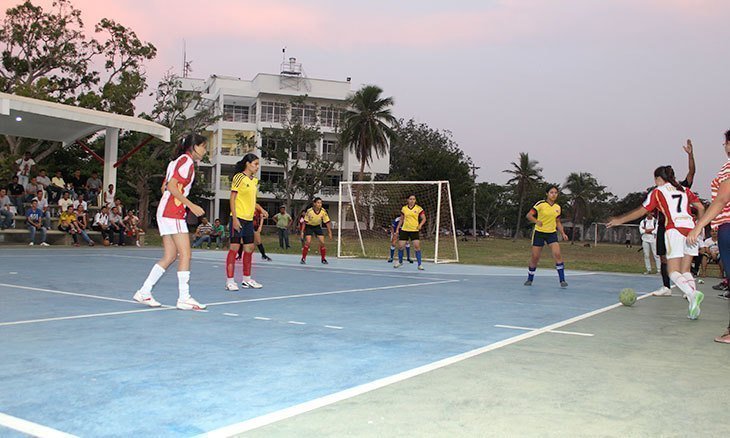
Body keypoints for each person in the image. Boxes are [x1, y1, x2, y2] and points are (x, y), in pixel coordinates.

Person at [609, 165, 705, 319]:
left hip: (674, 230)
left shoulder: (658, 192)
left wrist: (619, 220)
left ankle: (692, 294)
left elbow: (641, 211)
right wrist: (699, 227)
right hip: (691, 229)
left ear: (659, 179)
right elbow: (700, 207)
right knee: (686, 270)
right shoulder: (685, 190)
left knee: (673, 271)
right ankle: (693, 307)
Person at [133, 133, 208, 310]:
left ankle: (144, 292)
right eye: (203, 146)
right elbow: (172, 187)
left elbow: (165, 186)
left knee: (170, 256)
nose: (205, 150)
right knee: (186, 254)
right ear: (194, 146)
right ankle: (184, 297)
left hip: (166, 210)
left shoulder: (176, 161)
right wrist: (192, 205)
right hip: (172, 212)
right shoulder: (186, 161)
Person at [687, 129, 730, 342]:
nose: (724, 146)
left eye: (725, 143)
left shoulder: (729, 168)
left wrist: (699, 226)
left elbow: (721, 200)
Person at [653, 140, 696, 296]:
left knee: (683, 259)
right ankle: (666, 287)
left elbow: (691, 173)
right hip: (663, 227)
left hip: (679, 228)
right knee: (663, 258)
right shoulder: (658, 191)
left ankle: (687, 288)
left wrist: (690, 155)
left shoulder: (682, 188)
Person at [226, 153, 266, 290]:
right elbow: (232, 198)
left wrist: (261, 209)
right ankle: (230, 281)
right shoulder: (239, 177)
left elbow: (252, 201)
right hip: (238, 217)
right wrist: (235, 219)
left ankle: (246, 279)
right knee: (235, 248)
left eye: (258, 164)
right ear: (248, 164)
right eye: (255, 164)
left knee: (249, 248)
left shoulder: (254, 181)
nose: (257, 167)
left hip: (249, 219)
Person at [524, 186, 569, 287]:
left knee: (557, 254)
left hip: (551, 234)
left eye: (555, 193)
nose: (553, 195)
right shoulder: (540, 204)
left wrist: (563, 233)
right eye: (551, 192)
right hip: (539, 233)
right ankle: (529, 279)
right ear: (547, 194)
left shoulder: (558, 207)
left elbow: (557, 221)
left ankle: (562, 280)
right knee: (535, 257)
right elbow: (529, 215)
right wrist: (536, 221)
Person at [393, 194, 426, 270]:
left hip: (414, 230)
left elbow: (424, 219)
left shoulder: (419, 208)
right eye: (410, 199)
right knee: (401, 246)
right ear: (407, 200)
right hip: (405, 229)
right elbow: (401, 219)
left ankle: (419, 264)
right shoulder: (404, 208)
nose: (412, 201)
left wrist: (420, 225)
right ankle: (400, 261)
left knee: (417, 247)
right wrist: (397, 229)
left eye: (413, 199)